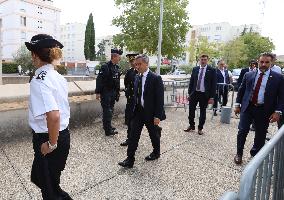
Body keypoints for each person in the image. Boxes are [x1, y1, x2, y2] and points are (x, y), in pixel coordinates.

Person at [25, 34, 72, 200]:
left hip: (49, 137)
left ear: (35, 55)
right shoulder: (58, 76)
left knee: (50, 191)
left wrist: (51, 144)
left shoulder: (39, 79)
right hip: (62, 135)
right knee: (43, 178)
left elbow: (53, 116)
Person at [234, 53, 284, 165]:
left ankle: (255, 154)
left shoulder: (278, 78)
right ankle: (239, 154)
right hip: (248, 107)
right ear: (258, 61)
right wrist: (237, 105)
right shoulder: (249, 75)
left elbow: (281, 97)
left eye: (267, 62)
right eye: (261, 62)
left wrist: (277, 112)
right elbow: (241, 91)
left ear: (271, 63)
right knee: (242, 130)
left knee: (261, 134)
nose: (264, 64)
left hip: (264, 110)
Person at [118, 54, 166, 168]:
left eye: (139, 64)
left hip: (151, 113)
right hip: (138, 112)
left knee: (153, 134)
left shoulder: (155, 78)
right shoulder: (137, 77)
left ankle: (156, 152)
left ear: (146, 63)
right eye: (136, 64)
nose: (137, 66)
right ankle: (130, 159)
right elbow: (136, 96)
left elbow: (160, 99)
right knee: (133, 136)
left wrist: (157, 116)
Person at [184, 54, 216, 135]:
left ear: (207, 60)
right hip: (194, 93)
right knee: (191, 110)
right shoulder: (195, 69)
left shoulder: (211, 70)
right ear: (199, 60)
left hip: (204, 95)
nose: (203, 61)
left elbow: (213, 85)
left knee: (202, 112)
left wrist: (212, 97)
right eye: (202, 59)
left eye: (205, 59)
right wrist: (189, 93)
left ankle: (200, 128)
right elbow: (191, 82)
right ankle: (191, 125)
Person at [95, 49, 122, 136]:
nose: (120, 58)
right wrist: (98, 92)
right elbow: (99, 80)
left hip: (113, 92)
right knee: (107, 111)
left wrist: (118, 92)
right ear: (114, 57)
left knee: (111, 110)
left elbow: (117, 81)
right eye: (118, 56)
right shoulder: (105, 66)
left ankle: (108, 126)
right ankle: (108, 130)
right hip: (106, 92)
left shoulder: (116, 67)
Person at [120, 53, 139, 146]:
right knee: (130, 121)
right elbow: (126, 83)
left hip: (139, 102)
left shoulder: (140, 72)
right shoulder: (129, 72)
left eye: (133, 61)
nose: (132, 63)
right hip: (131, 101)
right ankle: (129, 139)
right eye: (131, 61)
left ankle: (156, 134)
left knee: (146, 123)